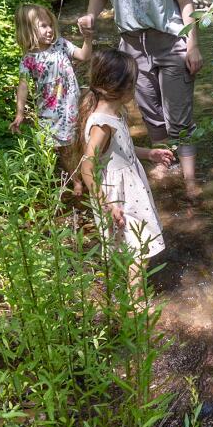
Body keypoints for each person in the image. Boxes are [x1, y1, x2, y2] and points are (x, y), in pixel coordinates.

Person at [76, 0, 204, 202]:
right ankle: (164, 172)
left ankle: (189, 185)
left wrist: (193, 45)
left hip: (171, 41)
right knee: (151, 116)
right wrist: (91, 16)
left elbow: (185, 2)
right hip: (132, 45)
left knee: (179, 118)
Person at [77, 51, 175, 291]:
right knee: (138, 250)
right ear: (116, 87)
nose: (136, 85)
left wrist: (149, 154)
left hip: (129, 191)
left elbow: (121, 149)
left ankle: (126, 296)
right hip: (118, 196)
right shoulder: (102, 124)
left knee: (133, 246)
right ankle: (136, 300)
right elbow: (86, 166)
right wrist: (106, 203)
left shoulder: (115, 114)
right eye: (133, 81)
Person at [13, 2, 89, 179]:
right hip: (49, 111)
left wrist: (88, 39)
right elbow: (23, 86)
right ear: (28, 30)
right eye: (43, 26)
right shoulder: (28, 60)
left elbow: (84, 56)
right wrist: (19, 113)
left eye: (50, 25)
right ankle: (74, 179)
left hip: (71, 105)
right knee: (61, 148)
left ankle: (87, 174)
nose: (49, 30)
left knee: (79, 140)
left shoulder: (61, 45)